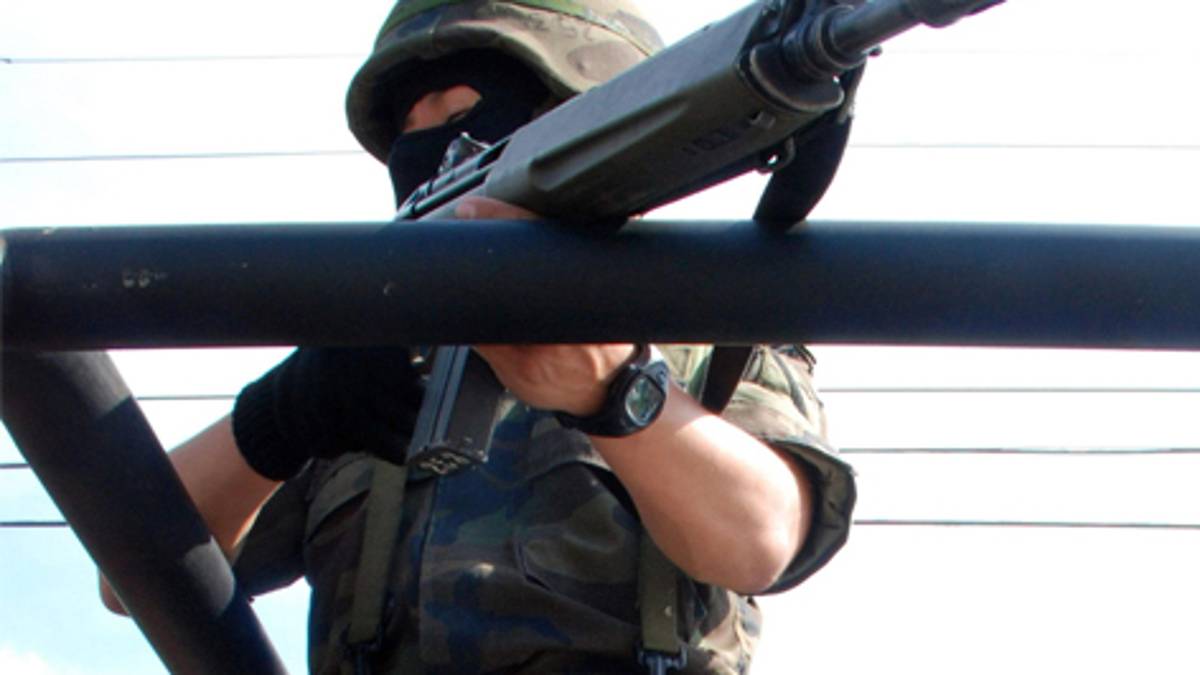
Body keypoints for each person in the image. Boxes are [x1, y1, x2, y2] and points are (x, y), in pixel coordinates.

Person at [100, 1, 856, 672]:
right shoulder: (374, 347)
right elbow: (126, 580)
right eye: (410, 131)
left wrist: (621, 392)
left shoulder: (694, 320)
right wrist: (280, 415)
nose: (429, 151)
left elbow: (762, 538)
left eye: (465, 112)